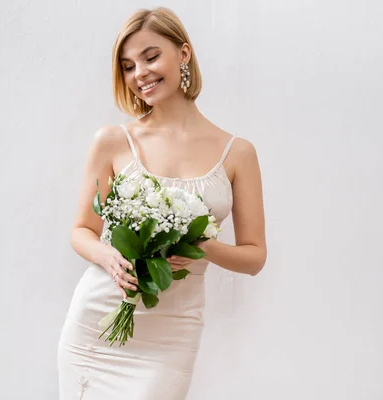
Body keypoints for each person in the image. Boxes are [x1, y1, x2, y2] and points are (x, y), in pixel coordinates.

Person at [57, 7, 267, 399]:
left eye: (151, 56)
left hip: (173, 332)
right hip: (97, 320)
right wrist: (108, 259)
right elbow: (81, 230)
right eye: (128, 65)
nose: (140, 73)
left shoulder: (237, 153)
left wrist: (203, 245)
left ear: (183, 54)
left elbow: (255, 257)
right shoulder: (112, 141)